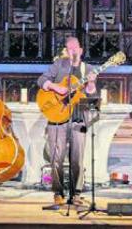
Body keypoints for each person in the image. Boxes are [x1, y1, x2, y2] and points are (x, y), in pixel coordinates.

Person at [36, 36, 98, 206]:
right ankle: (57, 193)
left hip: (79, 119)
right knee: (56, 158)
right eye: (69, 48)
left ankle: (76, 193)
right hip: (58, 118)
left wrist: (91, 85)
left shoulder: (89, 69)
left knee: (77, 159)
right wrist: (56, 87)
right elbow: (41, 80)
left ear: (81, 50)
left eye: (75, 48)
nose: (72, 51)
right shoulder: (59, 65)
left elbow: (92, 97)